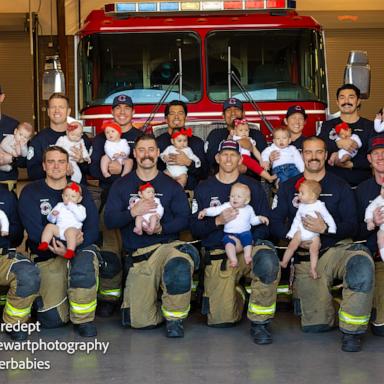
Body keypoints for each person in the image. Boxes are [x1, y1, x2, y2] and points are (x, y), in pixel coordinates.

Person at [270, 136, 374, 352]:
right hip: (307, 258)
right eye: (308, 152)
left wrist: (324, 230)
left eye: (319, 152)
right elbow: (275, 223)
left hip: (337, 250)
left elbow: (352, 225)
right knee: (316, 326)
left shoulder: (340, 185)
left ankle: (351, 332)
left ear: (326, 155)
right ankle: (334, 304)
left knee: (361, 263)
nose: (314, 157)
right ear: (302, 155)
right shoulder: (289, 187)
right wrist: (296, 239)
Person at [104, 134, 198, 338]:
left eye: (151, 150)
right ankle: (156, 298)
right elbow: (110, 220)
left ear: (158, 153)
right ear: (135, 153)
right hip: (139, 256)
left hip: (166, 248)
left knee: (178, 267)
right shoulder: (121, 185)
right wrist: (132, 212)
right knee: (140, 322)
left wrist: (161, 229)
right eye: (141, 150)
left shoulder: (171, 185)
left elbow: (185, 219)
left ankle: (175, 320)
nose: (147, 154)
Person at [190, 139, 280, 345]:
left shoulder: (254, 186)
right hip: (220, 255)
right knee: (221, 321)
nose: (229, 158)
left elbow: (266, 225)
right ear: (217, 158)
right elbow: (194, 227)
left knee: (267, 261)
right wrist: (218, 221)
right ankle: (238, 294)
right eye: (225, 154)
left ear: (240, 159)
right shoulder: (204, 187)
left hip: (250, 249)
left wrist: (247, 240)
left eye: (233, 154)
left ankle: (260, 323)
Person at [19, 146, 100, 337]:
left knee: (83, 269)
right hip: (47, 255)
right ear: (44, 166)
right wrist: (59, 248)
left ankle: (84, 320)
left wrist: (75, 245)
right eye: (51, 161)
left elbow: (92, 228)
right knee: (51, 321)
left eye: (61, 161)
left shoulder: (81, 191)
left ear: (67, 166)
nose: (56, 166)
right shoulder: (31, 191)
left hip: (79, 250)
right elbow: (33, 229)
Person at [89, 94, 141, 315]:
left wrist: (122, 169)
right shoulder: (101, 139)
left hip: (135, 198)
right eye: (117, 108)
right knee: (110, 246)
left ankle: (133, 294)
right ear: (112, 113)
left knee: (135, 246)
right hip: (108, 197)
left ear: (133, 112)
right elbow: (92, 169)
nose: (122, 112)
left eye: (126, 108)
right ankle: (109, 298)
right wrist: (106, 168)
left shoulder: (141, 136)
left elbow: (149, 164)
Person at [0, 183, 40, 341]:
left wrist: (6, 228)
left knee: (27, 273)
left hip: (2, 257)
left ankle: (13, 322)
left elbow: (16, 238)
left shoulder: (7, 197)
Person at [198, 182, 269, 267]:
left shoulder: (249, 209)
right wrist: (205, 212)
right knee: (228, 245)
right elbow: (215, 210)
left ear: (246, 200)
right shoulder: (227, 206)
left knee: (248, 241)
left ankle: (247, 256)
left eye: (239, 196)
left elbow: (253, 221)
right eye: (232, 196)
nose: (234, 198)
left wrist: (260, 219)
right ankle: (233, 259)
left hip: (245, 232)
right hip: (229, 234)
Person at [355, 135, 384, 337]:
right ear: (369, 159)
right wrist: (373, 223)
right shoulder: (363, 189)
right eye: (376, 154)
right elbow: (355, 229)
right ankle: (381, 319)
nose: (381, 157)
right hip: (376, 255)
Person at [318, 83, 374, 186]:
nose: (346, 101)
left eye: (351, 97)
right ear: (337, 102)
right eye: (342, 98)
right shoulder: (327, 125)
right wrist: (338, 144)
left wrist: (351, 164)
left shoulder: (370, 126)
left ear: (358, 101)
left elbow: (377, 155)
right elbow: (318, 149)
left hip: (362, 184)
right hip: (333, 185)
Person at [27, 93, 91, 182]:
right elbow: (32, 173)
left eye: (61, 107)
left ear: (68, 111)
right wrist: (57, 169)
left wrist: (81, 161)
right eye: (53, 107)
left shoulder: (81, 137)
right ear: (48, 111)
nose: (57, 110)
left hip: (76, 192)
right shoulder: (39, 139)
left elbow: (92, 171)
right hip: (50, 192)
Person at [280, 178, 336, 280]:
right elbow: (297, 220)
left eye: (302, 193)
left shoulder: (319, 206)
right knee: (292, 245)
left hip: (314, 234)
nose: (298, 195)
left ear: (312, 196)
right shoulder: (302, 206)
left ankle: (313, 268)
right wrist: (292, 233)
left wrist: (332, 228)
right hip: (301, 231)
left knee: (314, 251)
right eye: (299, 193)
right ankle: (284, 262)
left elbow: (328, 217)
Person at [205, 97, 267, 173]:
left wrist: (245, 169)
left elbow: (265, 162)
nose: (233, 113)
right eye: (228, 110)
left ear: (243, 114)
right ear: (223, 116)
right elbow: (210, 162)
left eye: (237, 109)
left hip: (249, 179)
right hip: (221, 179)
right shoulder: (215, 134)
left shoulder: (256, 134)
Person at [156, 100, 207, 190]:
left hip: (189, 193)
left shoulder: (197, 142)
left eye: (180, 113)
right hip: (163, 192)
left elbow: (204, 173)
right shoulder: (158, 142)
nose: (176, 117)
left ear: (185, 117)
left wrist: (189, 162)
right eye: (172, 113)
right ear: (166, 119)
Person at [38, 182, 87, 260]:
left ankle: (70, 251)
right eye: (66, 196)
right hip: (60, 230)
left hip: (73, 231)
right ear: (62, 196)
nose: (69, 198)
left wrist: (72, 207)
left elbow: (82, 218)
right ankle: (44, 243)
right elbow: (51, 220)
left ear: (79, 199)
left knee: (70, 231)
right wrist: (53, 215)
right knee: (49, 226)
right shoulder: (60, 205)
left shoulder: (80, 208)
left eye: (73, 196)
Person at [230, 119, 276, 183]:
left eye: (246, 130)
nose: (244, 132)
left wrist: (260, 160)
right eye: (241, 130)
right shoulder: (234, 138)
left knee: (256, 166)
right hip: (237, 157)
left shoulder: (250, 140)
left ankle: (268, 177)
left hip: (246, 157)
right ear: (235, 131)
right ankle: (268, 177)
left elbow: (255, 151)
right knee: (255, 166)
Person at [0, 84, 22, 191]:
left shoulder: (14, 126)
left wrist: (12, 159)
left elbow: (25, 161)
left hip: (8, 186)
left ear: (2, 97)